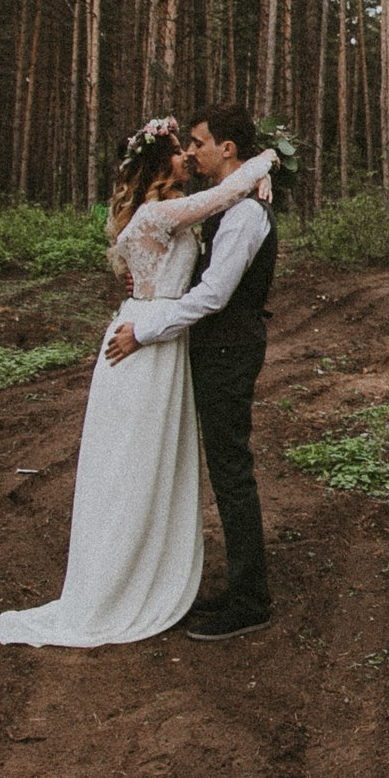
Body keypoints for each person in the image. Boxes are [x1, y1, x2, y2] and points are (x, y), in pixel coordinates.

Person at [0, 118, 276, 649]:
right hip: (144, 346)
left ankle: (159, 575)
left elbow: (220, 214)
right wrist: (267, 162)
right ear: (157, 162)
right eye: (180, 149)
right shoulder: (159, 214)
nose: (189, 156)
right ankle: (123, 583)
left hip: (162, 342)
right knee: (131, 466)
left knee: (156, 465)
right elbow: (226, 195)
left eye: (195, 146)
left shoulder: (169, 216)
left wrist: (259, 177)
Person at [102, 103, 279, 641]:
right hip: (206, 350)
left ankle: (251, 600)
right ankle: (231, 584)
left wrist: (150, 330)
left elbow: (213, 295)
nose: (192, 152)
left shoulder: (246, 214)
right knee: (214, 468)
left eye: (199, 142)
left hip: (228, 351)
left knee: (230, 470)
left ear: (228, 149)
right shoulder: (220, 207)